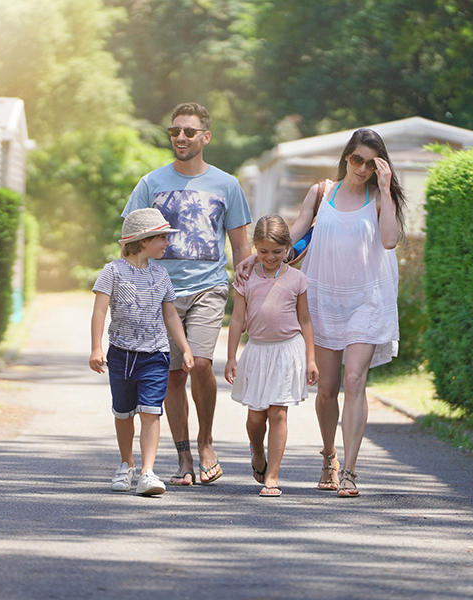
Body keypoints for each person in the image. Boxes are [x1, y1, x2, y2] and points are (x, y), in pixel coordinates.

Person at [236, 128, 405, 497]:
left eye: (370, 163)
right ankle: (329, 455)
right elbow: (292, 237)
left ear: (379, 167)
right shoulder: (321, 192)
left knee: (354, 380)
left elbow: (390, 240)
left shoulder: (379, 198)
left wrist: (388, 188)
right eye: (356, 159)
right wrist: (255, 257)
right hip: (324, 298)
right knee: (326, 390)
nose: (361, 168)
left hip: (367, 299)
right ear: (347, 157)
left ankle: (350, 470)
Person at [122, 102, 252, 485]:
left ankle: (207, 441)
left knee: (201, 364)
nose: (180, 137)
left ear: (205, 137)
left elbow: (241, 247)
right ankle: (184, 456)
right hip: (162, 292)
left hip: (209, 287)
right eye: (175, 131)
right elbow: (131, 241)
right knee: (173, 375)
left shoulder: (226, 185)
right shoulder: (151, 183)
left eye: (189, 132)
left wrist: (247, 293)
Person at [89, 208, 194, 496]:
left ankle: (148, 472)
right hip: (121, 353)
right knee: (123, 413)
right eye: (162, 238)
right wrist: (97, 347)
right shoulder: (112, 271)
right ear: (143, 240)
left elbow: (171, 315)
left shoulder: (161, 275)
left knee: (151, 411)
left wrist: (184, 348)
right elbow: (99, 310)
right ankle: (127, 464)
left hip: (155, 355)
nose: (167, 243)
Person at [225, 215, 319, 496]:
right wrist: (231, 357)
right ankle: (257, 453)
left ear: (288, 247)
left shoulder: (297, 280)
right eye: (263, 251)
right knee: (256, 418)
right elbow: (236, 319)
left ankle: (273, 476)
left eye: (277, 252)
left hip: (287, 351)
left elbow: (305, 321)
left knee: (278, 413)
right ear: (255, 247)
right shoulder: (246, 278)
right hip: (257, 351)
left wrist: (311, 359)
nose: (270, 257)